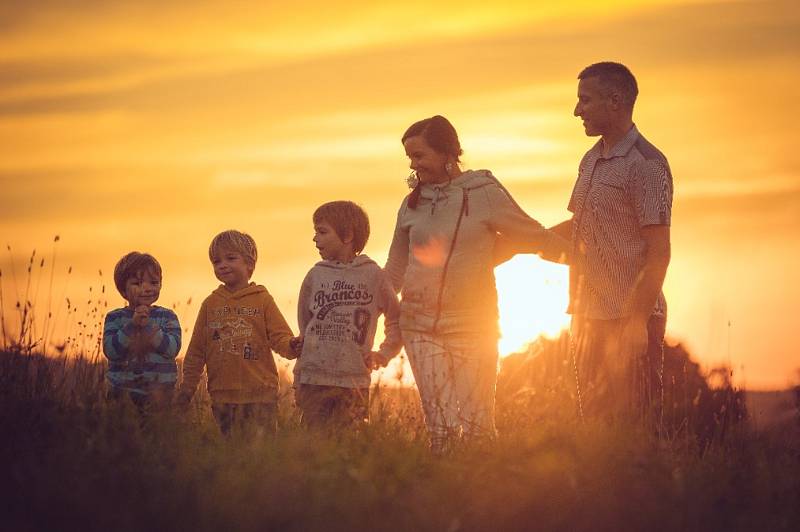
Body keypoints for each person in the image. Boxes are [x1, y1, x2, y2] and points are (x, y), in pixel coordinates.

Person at [385, 115, 569, 452]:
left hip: (473, 326)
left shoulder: (483, 193)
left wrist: (582, 257)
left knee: (477, 425)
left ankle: (483, 494)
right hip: (419, 328)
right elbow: (395, 267)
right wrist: (368, 306)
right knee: (440, 429)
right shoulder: (411, 205)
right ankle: (444, 495)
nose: (414, 164)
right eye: (409, 157)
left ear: (447, 154)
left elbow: (530, 234)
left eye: (419, 155)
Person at [549, 62, 673, 423]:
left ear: (615, 101)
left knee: (633, 429)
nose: (577, 111)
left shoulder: (647, 164)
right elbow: (579, 229)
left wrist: (636, 322)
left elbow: (659, 253)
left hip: (628, 321)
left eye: (584, 100)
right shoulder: (591, 160)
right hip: (587, 317)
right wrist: (517, 241)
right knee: (593, 430)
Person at [176, 230, 299, 436]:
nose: (222, 265)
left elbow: (279, 336)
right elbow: (197, 350)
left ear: (249, 264)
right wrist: (186, 389)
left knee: (261, 453)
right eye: (216, 261)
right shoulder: (211, 304)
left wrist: (291, 346)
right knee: (231, 450)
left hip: (260, 396)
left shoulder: (262, 300)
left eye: (231, 258)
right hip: (222, 397)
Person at [293, 201, 402, 429]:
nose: (315, 239)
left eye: (322, 232)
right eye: (315, 232)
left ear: (348, 235)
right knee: (313, 442)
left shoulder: (374, 276)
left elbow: (396, 319)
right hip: (313, 378)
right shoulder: (315, 275)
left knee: (349, 441)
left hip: (353, 379)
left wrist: (383, 353)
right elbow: (305, 322)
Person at [103, 252, 181, 414]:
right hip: (122, 394)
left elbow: (172, 349)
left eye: (153, 282)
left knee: (157, 435)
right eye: (137, 283)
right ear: (123, 290)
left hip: (160, 394)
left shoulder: (167, 317)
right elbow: (111, 351)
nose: (146, 288)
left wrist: (149, 328)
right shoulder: (115, 318)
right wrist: (132, 325)